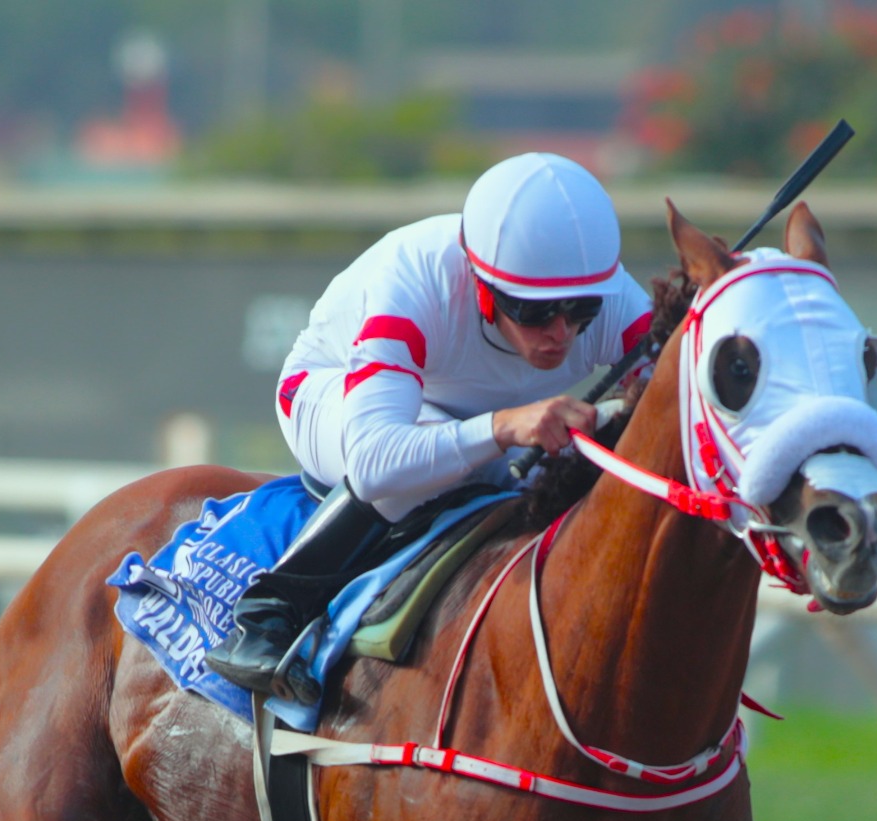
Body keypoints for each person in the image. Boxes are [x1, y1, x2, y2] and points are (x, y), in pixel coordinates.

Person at [206, 150, 656, 702]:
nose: (561, 333)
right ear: (483, 286)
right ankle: (269, 612)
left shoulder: (608, 296)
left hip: (473, 424)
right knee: (448, 469)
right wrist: (501, 428)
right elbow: (374, 464)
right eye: (536, 312)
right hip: (334, 397)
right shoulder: (418, 278)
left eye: (581, 311)